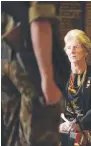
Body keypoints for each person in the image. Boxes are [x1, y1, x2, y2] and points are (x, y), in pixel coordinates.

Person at [1, 2, 69, 146]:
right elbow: (39, 20)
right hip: (29, 62)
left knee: (11, 137)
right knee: (41, 137)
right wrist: (47, 78)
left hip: (5, 57)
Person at [59, 29, 91, 135]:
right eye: (68, 48)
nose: (71, 51)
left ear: (85, 51)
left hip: (87, 127)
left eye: (75, 47)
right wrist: (59, 124)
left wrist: (80, 124)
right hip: (64, 126)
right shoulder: (61, 76)